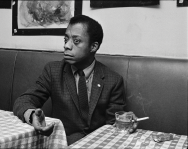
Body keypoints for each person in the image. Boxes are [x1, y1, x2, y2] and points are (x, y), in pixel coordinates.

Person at [13, 15, 138, 145]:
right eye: (65, 39)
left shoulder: (113, 80)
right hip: (62, 144)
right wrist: (32, 115)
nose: (66, 45)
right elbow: (24, 100)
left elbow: (114, 123)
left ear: (93, 46)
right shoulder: (53, 71)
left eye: (76, 41)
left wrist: (126, 120)